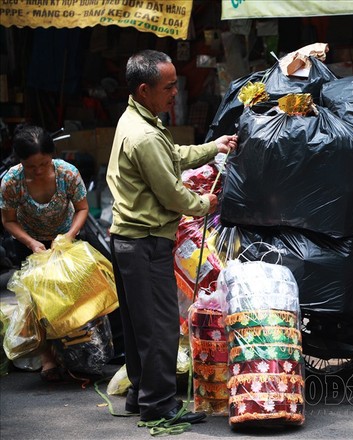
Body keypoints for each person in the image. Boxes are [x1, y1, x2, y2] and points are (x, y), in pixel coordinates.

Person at [106, 49, 237, 426]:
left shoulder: (137, 118)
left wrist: (214, 147)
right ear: (144, 89)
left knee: (138, 327)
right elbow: (172, 195)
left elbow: (173, 156)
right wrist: (206, 202)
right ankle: (159, 405)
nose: (176, 93)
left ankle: (139, 396)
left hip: (131, 240)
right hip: (144, 242)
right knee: (160, 327)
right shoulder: (144, 134)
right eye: (169, 86)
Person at [0, 124, 89, 382]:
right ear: (20, 161)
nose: (38, 171)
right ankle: (47, 358)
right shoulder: (11, 181)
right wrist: (31, 243)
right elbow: (8, 220)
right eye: (31, 166)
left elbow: (82, 208)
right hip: (30, 243)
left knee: (69, 298)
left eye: (43, 164)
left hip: (66, 238)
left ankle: (76, 353)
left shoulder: (68, 173)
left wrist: (68, 236)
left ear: (52, 157)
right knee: (37, 302)